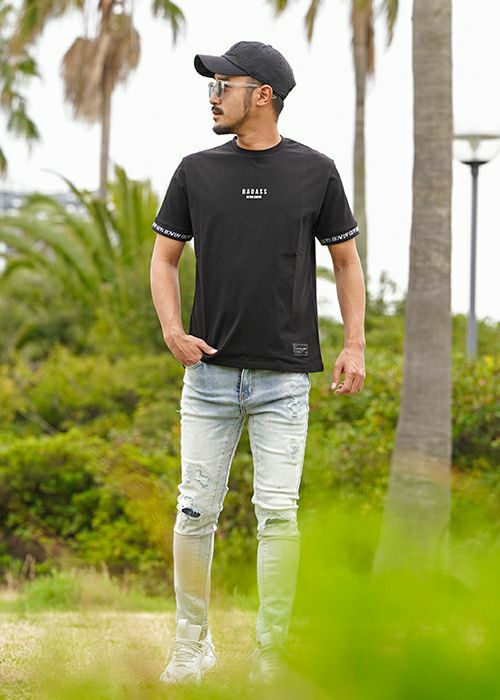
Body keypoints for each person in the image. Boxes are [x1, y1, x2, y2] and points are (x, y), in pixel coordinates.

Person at [150, 40, 366, 685]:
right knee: (195, 511)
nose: (213, 96)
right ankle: (190, 648)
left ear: (263, 94)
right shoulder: (194, 170)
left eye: (223, 85)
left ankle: (272, 654)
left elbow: (346, 262)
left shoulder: (316, 171)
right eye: (211, 86)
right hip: (208, 378)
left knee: (277, 516)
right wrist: (172, 330)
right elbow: (164, 259)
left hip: (284, 380)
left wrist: (354, 344)